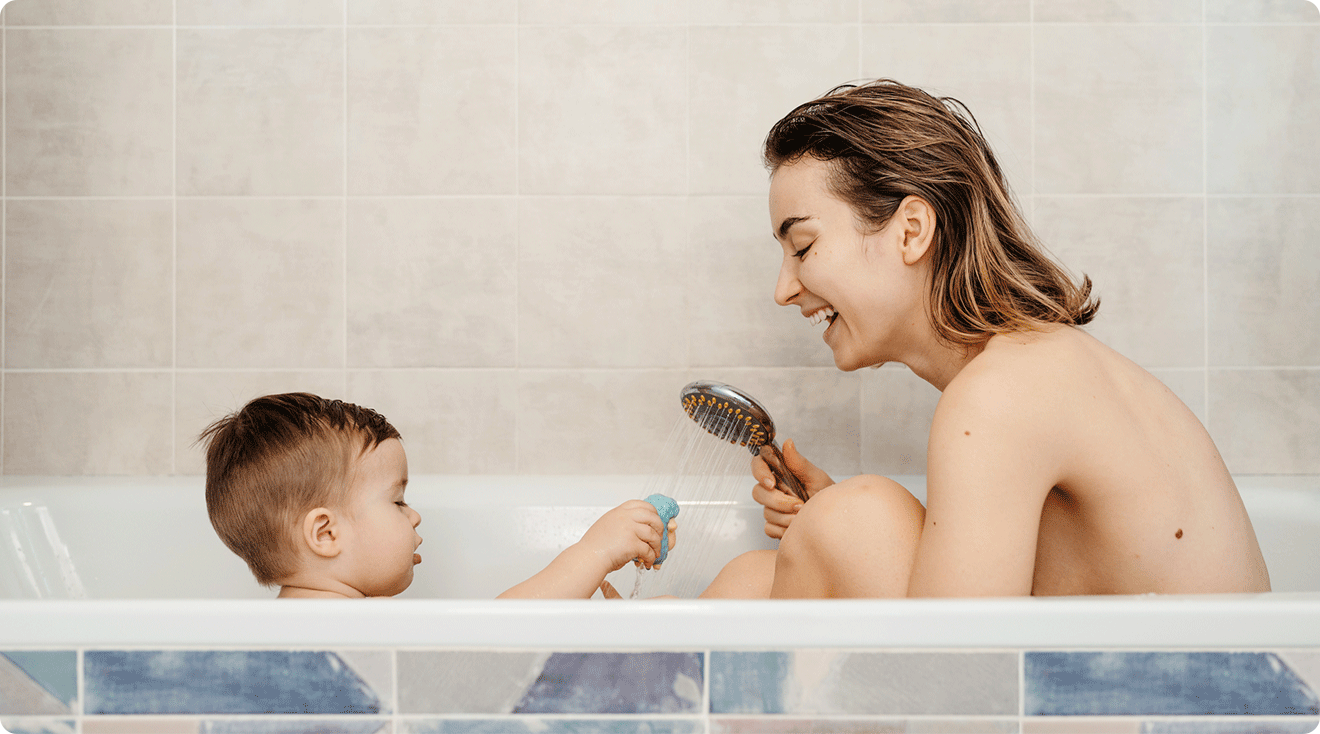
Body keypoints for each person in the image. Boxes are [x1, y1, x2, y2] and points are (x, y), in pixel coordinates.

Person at [702, 79, 1270, 599]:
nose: (783, 289)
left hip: (1185, 683)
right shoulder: (1035, 365)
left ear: (912, 231)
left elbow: (965, 668)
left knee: (849, 523)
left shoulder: (1000, 395)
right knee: (763, 572)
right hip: (1166, 670)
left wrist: (830, 539)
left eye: (803, 247)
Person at [199, 392, 674, 599]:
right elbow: (495, 641)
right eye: (397, 502)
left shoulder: (322, 622)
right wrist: (594, 553)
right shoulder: (333, 630)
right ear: (325, 533)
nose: (415, 516)